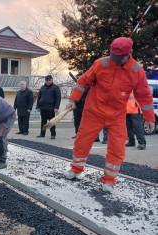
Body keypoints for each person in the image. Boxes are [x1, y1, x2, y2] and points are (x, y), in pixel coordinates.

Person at [64, 37, 155, 193]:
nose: (116, 61)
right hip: (93, 112)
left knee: (117, 148)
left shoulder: (136, 70)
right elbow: (83, 81)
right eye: (114, 57)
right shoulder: (101, 63)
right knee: (82, 142)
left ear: (129, 53)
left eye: (120, 58)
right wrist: (73, 99)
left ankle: (109, 180)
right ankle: (76, 169)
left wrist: (149, 117)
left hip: (117, 115)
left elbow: (144, 95)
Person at [36, 75, 61, 139]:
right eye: (47, 80)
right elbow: (39, 98)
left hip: (51, 108)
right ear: (45, 80)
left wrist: (56, 107)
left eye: (49, 80)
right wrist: (37, 106)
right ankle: (42, 133)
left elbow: (58, 98)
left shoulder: (55, 87)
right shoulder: (42, 88)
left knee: (52, 122)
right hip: (43, 107)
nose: (48, 81)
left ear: (52, 80)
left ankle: (53, 134)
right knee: (43, 122)